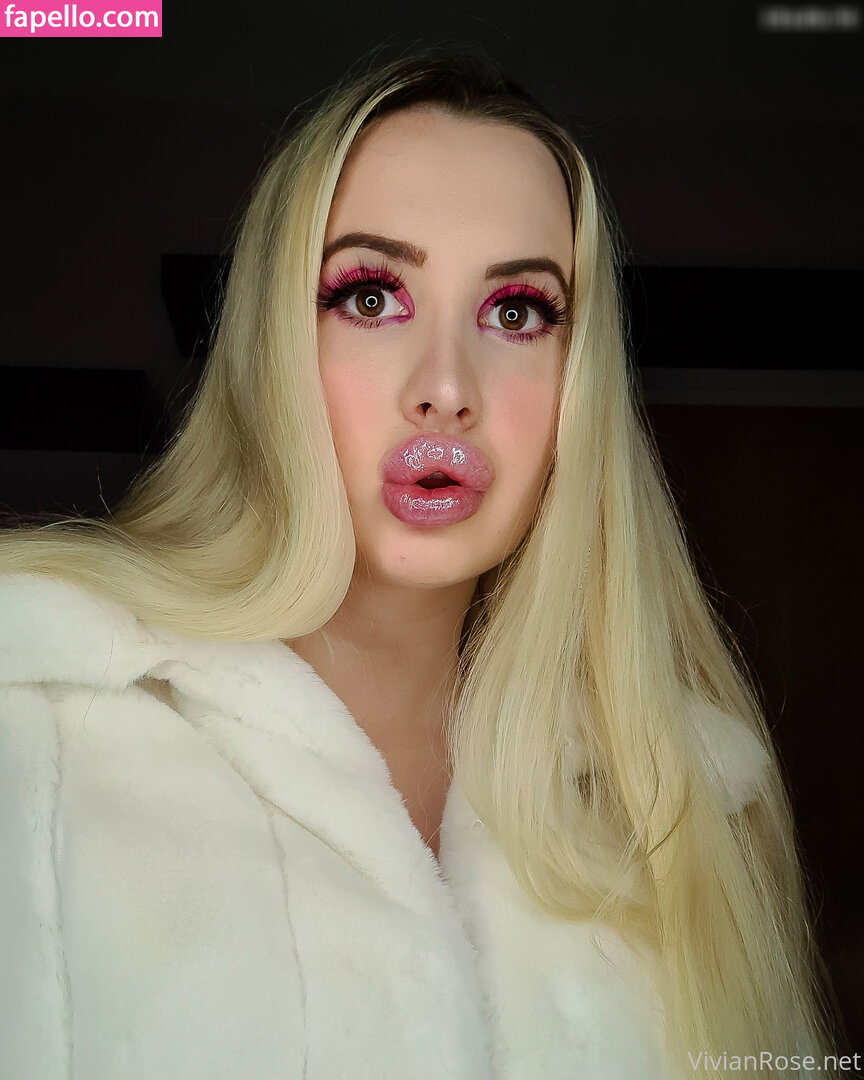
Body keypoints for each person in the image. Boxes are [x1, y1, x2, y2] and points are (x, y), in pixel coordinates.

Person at [0, 50, 843, 1079]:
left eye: (518, 312)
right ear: (272, 344)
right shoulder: (32, 721)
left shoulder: (685, 809)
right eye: (369, 297)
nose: (446, 387)